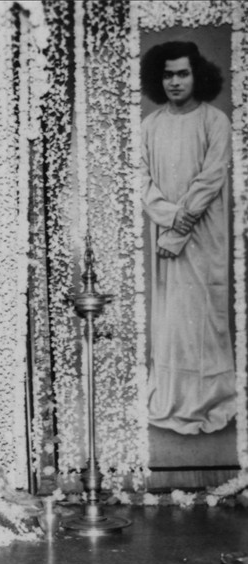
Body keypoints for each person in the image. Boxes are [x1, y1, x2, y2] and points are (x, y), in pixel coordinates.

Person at [140, 41, 236, 434]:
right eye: (167, 74)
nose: (175, 82)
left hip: (205, 236)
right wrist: (169, 219)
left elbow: (211, 178)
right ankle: (172, 397)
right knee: (173, 320)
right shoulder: (150, 126)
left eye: (183, 73)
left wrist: (179, 228)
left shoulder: (216, 121)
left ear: (197, 75)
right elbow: (142, 181)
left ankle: (211, 400)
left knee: (204, 319)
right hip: (165, 237)